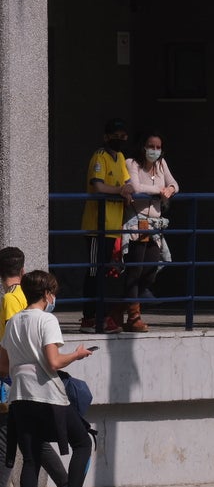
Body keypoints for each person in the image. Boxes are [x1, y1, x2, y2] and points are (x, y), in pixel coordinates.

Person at [0, 271, 102, 487]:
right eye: (53, 293)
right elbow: (54, 362)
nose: (54, 297)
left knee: (31, 459)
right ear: (46, 294)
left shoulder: (13, 322)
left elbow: (3, 365)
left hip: (19, 397)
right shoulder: (47, 320)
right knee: (83, 442)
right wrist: (77, 355)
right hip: (47, 395)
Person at [0, 248, 74, 487]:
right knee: (29, 440)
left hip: (16, 380)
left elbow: (13, 341)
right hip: (30, 381)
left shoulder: (10, 300)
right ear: (21, 270)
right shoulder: (25, 296)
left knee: (16, 441)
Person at [80, 118, 134, 334]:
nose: (120, 139)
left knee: (105, 272)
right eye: (116, 135)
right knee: (94, 272)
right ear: (106, 137)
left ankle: (101, 315)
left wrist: (128, 189)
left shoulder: (120, 157)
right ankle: (89, 318)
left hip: (113, 226)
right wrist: (121, 191)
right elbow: (99, 186)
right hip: (96, 226)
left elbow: (127, 182)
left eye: (123, 136)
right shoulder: (100, 157)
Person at [122, 131, 179, 333]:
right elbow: (136, 187)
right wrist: (161, 191)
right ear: (143, 146)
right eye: (150, 146)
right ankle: (133, 316)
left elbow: (174, 184)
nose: (154, 151)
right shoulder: (132, 163)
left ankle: (133, 298)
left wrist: (170, 189)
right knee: (135, 269)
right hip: (137, 223)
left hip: (155, 223)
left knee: (153, 265)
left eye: (158, 147)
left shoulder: (161, 164)